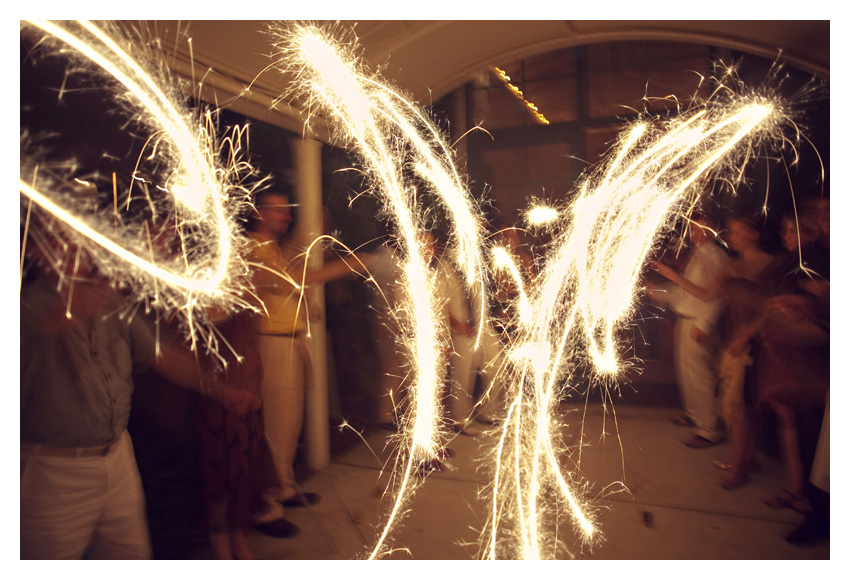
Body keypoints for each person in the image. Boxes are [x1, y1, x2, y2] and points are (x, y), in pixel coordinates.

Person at [20, 230, 258, 559]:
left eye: (79, 240)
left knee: (131, 555)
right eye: (63, 240)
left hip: (117, 456)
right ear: (36, 251)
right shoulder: (25, 305)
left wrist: (220, 391)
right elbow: (70, 313)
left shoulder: (112, 302)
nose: (79, 248)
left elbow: (161, 355)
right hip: (55, 471)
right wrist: (133, 264)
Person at [247, 187, 371, 521]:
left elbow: (287, 276)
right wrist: (348, 265)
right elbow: (288, 278)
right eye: (277, 211)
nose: (285, 216)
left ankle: (283, 487)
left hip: (290, 342)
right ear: (258, 212)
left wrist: (305, 304)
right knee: (276, 425)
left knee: (289, 424)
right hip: (273, 344)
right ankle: (266, 507)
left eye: (288, 211)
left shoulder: (271, 247)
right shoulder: (250, 247)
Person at [652, 211, 729, 448]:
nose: (696, 233)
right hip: (686, 319)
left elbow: (717, 297)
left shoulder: (716, 256)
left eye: (702, 228)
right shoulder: (698, 254)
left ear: (713, 229)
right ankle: (694, 415)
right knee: (687, 372)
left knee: (700, 376)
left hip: (698, 322)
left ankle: (708, 429)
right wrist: (654, 289)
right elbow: (685, 292)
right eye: (693, 229)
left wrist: (704, 324)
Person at [437, 243, 503, 435]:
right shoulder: (445, 265)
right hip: (462, 330)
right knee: (462, 377)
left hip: (483, 327)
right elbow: (441, 301)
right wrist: (458, 325)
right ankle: (459, 420)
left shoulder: (476, 262)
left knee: (495, 367)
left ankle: (487, 411)